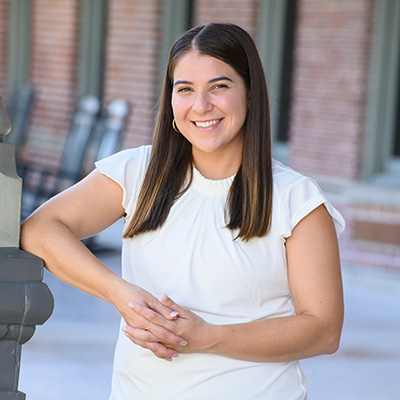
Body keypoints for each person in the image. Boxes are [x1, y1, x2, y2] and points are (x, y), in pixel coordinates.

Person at [21, 23, 345, 399]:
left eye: (219, 87)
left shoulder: (295, 197)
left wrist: (209, 338)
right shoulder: (138, 172)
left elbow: (323, 329)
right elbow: (41, 228)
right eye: (185, 89)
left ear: (251, 94)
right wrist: (120, 294)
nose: (201, 106)